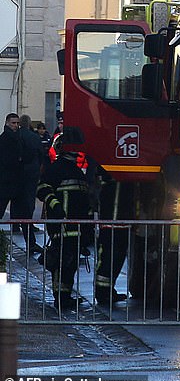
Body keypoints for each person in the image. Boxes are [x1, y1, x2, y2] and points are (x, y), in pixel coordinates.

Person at [36, 126, 93, 309]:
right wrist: (56, 207)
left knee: (71, 264)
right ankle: (60, 298)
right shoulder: (57, 168)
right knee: (61, 263)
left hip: (76, 227)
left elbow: (84, 200)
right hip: (61, 226)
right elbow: (42, 189)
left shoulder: (77, 171)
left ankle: (65, 297)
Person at [95, 178, 135, 305]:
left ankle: (108, 291)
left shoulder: (124, 182)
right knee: (108, 258)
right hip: (110, 225)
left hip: (121, 225)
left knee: (117, 258)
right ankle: (102, 293)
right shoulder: (109, 182)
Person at [17, 114, 45, 255]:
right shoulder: (34, 137)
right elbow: (42, 155)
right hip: (31, 174)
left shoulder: (15, 136)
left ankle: (17, 224)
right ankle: (29, 232)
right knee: (28, 204)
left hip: (17, 175)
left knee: (18, 202)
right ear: (29, 124)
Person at [0, 113, 27, 237]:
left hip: (16, 181)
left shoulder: (18, 138)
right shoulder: (5, 139)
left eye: (17, 123)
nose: (16, 125)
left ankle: (30, 242)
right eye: (13, 123)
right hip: (6, 181)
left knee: (23, 215)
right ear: (7, 123)